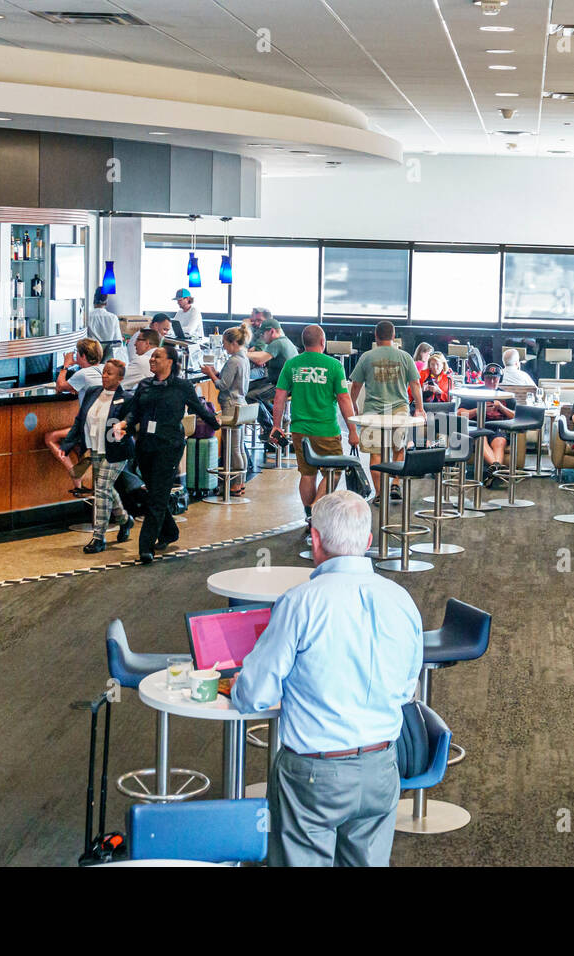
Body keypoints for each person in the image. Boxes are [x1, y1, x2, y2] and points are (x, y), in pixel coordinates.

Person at [231, 489, 423, 867]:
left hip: (314, 774)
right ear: (367, 541)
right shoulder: (401, 600)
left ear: (315, 539)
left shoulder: (300, 601)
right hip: (382, 767)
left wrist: (240, 684)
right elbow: (405, 689)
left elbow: (254, 695)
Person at [114, 344, 218, 564]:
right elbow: (135, 412)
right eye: (152, 357)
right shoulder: (145, 385)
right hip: (145, 446)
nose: (152, 360)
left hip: (169, 447)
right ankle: (170, 531)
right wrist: (125, 424)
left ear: (170, 361)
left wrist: (215, 422)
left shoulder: (182, 386)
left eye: (157, 357)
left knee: (158, 496)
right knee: (155, 494)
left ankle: (145, 547)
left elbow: (199, 408)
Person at [271, 324, 360, 525]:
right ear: (322, 341)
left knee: (307, 473)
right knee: (334, 472)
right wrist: (353, 430)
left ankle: (310, 515)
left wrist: (277, 425)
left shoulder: (292, 364)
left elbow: (279, 396)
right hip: (326, 430)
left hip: (299, 430)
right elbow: (344, 399)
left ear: (303, 343)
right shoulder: (334, 365)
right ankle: (315, 508)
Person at [60, 358, 134, 554]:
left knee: (101, 489)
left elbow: (131, 421)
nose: (105, 376)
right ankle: (125, 520)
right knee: (105, 488)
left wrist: (123, 428)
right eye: (104, 372)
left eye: (110, 373)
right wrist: (67, 444)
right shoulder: (93, 392)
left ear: (120, 378)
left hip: (116, 451)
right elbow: (80, 420)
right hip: (95, 447)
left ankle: (98, 537)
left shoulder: (126, 398)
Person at [349, 321, 423, 501]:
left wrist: (354, 405)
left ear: (376, 336)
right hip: (399, 410)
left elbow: (356, 385)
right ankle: (395, 483)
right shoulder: (405, 357)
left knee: (376, 453)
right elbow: (415, 384)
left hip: (373, 411)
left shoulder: (366, 357)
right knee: (399, 448)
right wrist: (420, 408)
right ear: (394, 336)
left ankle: (379, 493)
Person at [48, 338, 104, 496]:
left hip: (89, 428)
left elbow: (60, 386)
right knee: (74, 444)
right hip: (104, 427)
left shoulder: (83, 374)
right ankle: (82, 477)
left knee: (51, 438)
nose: (75, 356)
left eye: (77, 354)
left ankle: (77, 479)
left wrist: (66, 366)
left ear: (83, 356)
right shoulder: (104, 369)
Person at [202, 325, 252, 497]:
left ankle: (234, 485)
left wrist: (210, 373)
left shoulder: (233, 361)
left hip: (230, 405)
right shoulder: (244, 358)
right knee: (239, 447)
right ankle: (241, 482)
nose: (223, 346)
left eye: (224, 343)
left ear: (233, 343)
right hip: (241, 403)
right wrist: (217, 373)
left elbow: (222, 385)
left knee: (233, 448)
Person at [458, 363, 514, 488]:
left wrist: (501, 407)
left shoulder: (506, 396)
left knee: (500, 441)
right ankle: (497, 471)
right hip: (478, 426)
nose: (492, 381)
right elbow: (460, 413)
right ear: (484, 378)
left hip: (498, 427)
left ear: (500, 379)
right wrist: (478, 410)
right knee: (481, 439)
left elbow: (516, 416)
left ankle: (494, 471)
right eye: (489, 378)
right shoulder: (473, 394)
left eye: (495, 378)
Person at [247, 318, 299, 444]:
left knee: (250, 396)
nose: (262, 337)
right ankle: (279, 417)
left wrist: (241, 353)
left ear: (271, 331)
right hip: (284, 382)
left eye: (263, 334)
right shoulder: (285, 341)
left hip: (283, 386)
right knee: (246, 387)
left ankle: (270, 429)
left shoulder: (277, 343)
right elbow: (263, 356)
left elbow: (260, 359)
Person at [84, 287, 123, 362]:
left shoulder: (87, 317)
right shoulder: (113, 318)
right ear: (106, 302)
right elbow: (118, 342)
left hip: (90, 357)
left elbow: (83, 340)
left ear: (94, 300)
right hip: (108, 358)